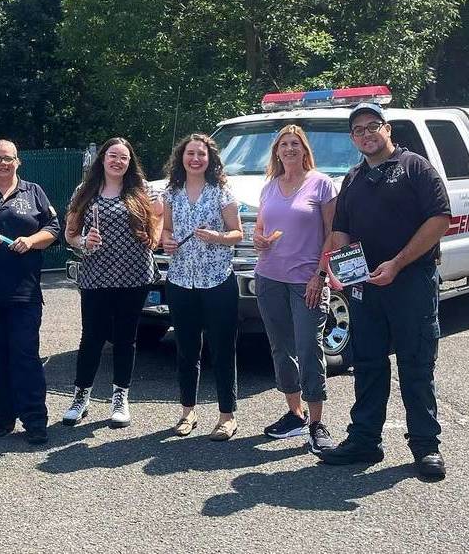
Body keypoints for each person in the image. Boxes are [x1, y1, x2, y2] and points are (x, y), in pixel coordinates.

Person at [317, 103, 451, 481]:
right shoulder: (354, 178)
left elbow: (439, 218)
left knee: (416, 363)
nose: (366, 134)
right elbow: (341, 230)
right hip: (366, 288)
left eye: (372, 126)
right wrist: (339, 269)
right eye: (358, 130)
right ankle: (364, 441)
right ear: (353, 138)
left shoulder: (415, 168)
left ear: (387, 129)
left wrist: (398, 263)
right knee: (369, 364)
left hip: (411, 281)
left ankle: (426, 446)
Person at [0, 140, 62, 444]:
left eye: (8, 159)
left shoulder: (34, 193)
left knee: (25, 356)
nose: (3, 164)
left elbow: (54, 228)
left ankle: (34, 419)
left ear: (18, 161)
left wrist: (31, 241)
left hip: (24, 293)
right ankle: (2, 417)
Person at [61, 138, 162, 428]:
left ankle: (120, 398)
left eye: (124, 158)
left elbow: (158, 218)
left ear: (130, 163)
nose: (118, 161)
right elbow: (70, 234)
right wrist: (83, 241)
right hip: (97, 275)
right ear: (102, 159)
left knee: (126, 338)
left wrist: (152, 237)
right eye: (113, 156)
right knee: (91, 337)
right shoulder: (85, 191)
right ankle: (81, 397)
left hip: (134, 275)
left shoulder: (141, 190)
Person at [251, 125, 338, 454]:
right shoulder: (270, 187)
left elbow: (333, 233)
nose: (288, 149)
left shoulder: (322, 184)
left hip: (307, 281)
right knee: (281, 348)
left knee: (308, 348)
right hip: (269, 276)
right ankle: (295, 414)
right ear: (276, 151)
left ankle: (317, 423)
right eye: (283, 144)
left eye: (294, 144)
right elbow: (261, 228)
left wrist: (321, 273)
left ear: (304, 150)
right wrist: (258, 238)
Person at [160, 133, 244, 441]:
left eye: (202, 154)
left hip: (217, 279)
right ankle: (187, 412)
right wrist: (165, 240)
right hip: (181, 280)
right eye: (190, 153)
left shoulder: (221, 191)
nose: (195, 158)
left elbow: (237, 232)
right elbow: (166, 230)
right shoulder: (171, 192)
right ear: (181, 157)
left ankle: (226, 416)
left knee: (222, 349)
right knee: (186, 349)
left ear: (210, 159)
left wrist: (217, 237)